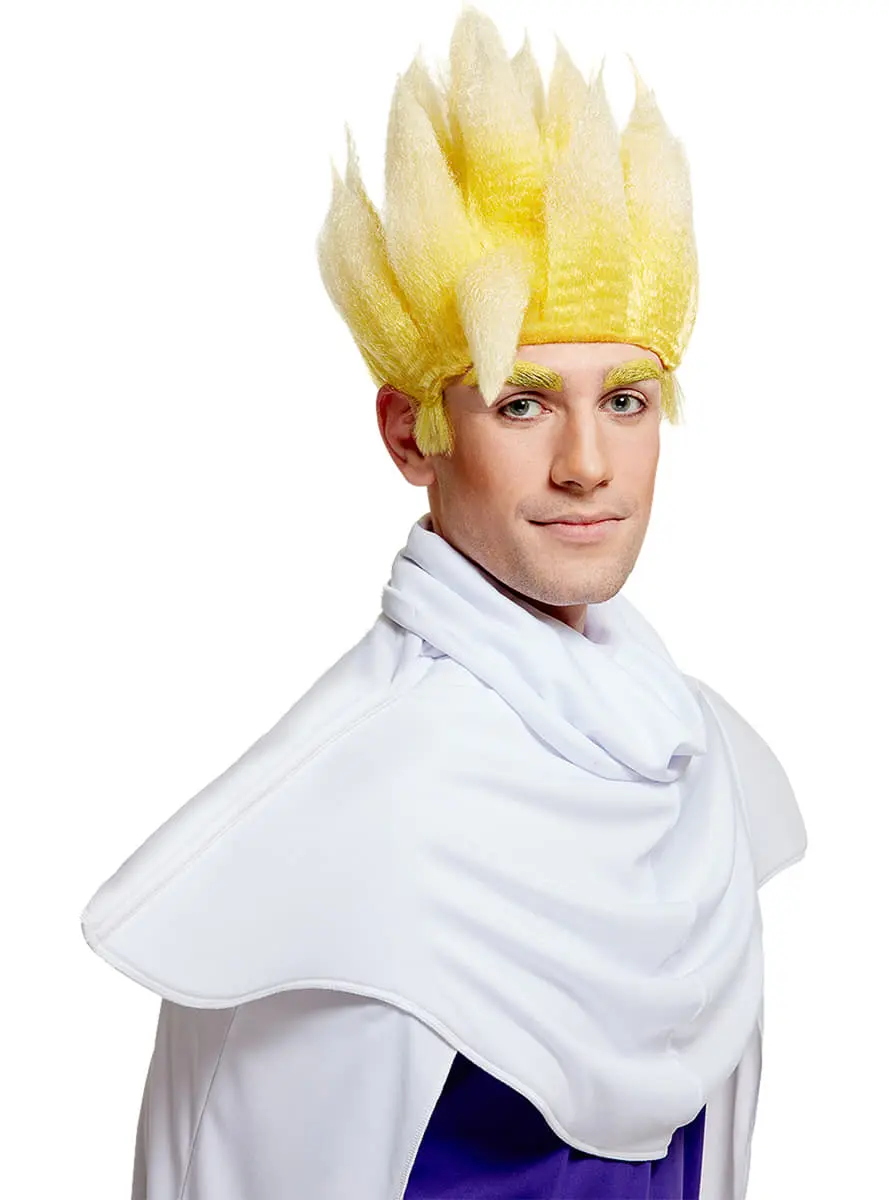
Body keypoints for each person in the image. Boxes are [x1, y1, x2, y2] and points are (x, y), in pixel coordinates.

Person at [81, 7, 808, 1199]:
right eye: (521, 403)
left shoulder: (702, 763)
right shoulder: (348, 816)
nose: (587, 465)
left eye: (625, 400)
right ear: (410, 434)